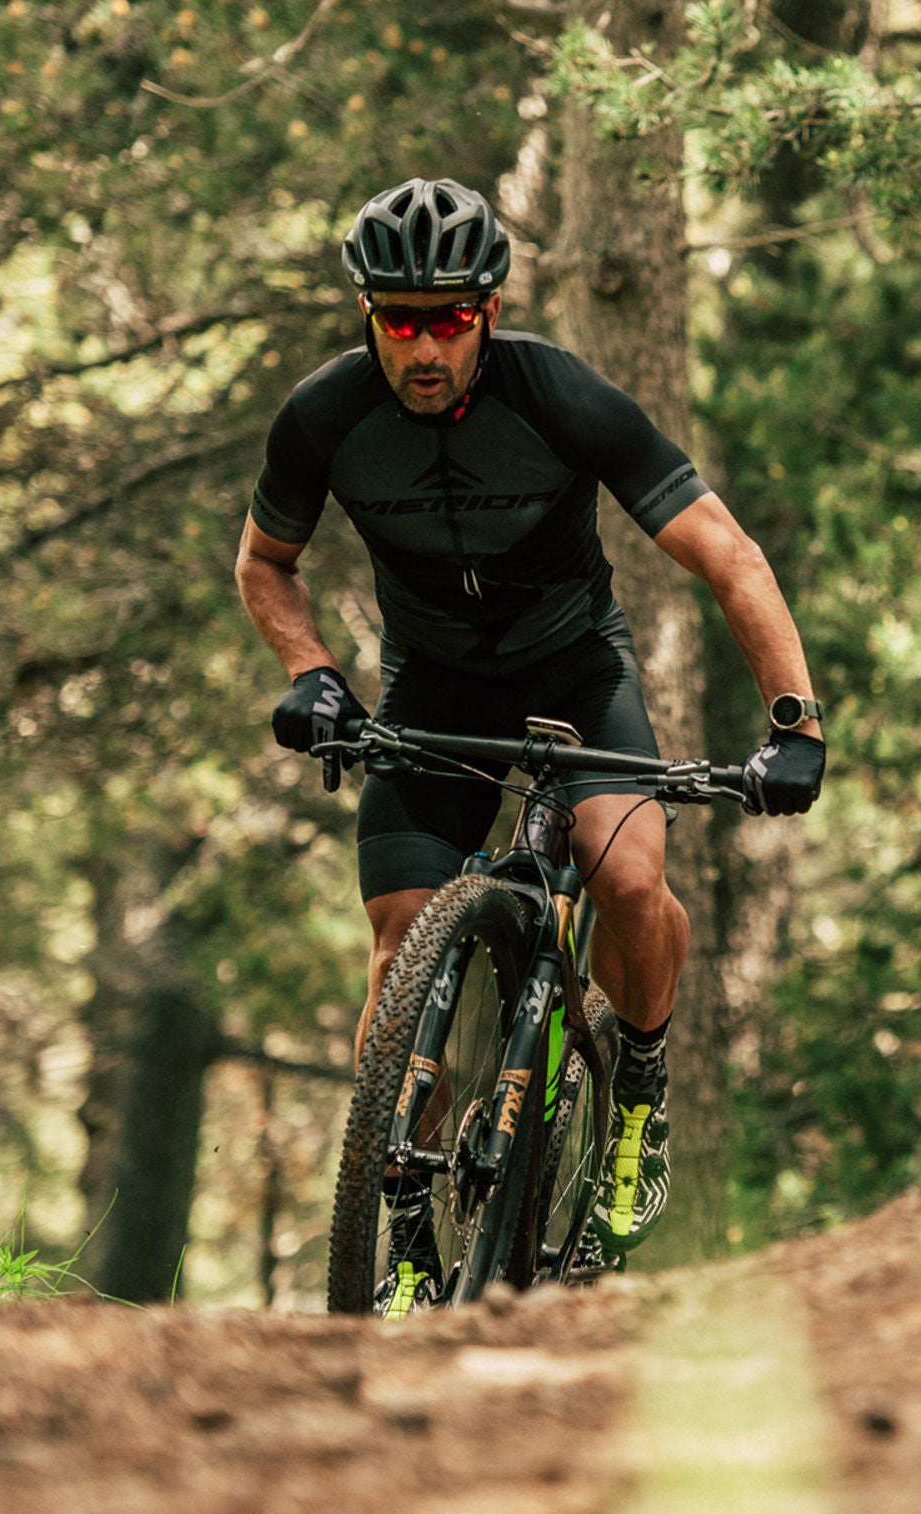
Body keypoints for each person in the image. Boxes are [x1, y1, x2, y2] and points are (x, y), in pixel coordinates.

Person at [235, 178, 824, 1290]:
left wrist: (794, 719)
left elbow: (728, 556)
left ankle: (637, 1092)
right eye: (399, 318)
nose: (423, 344)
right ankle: (406, 1235)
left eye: (448, 317)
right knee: (401, 939)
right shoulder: (324, 417)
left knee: (633, 880)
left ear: (490, 313)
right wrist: (312, 674)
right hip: (431, 686)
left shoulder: (558, 396)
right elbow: (263, 564)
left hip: (571, 665)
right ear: (367, 316)